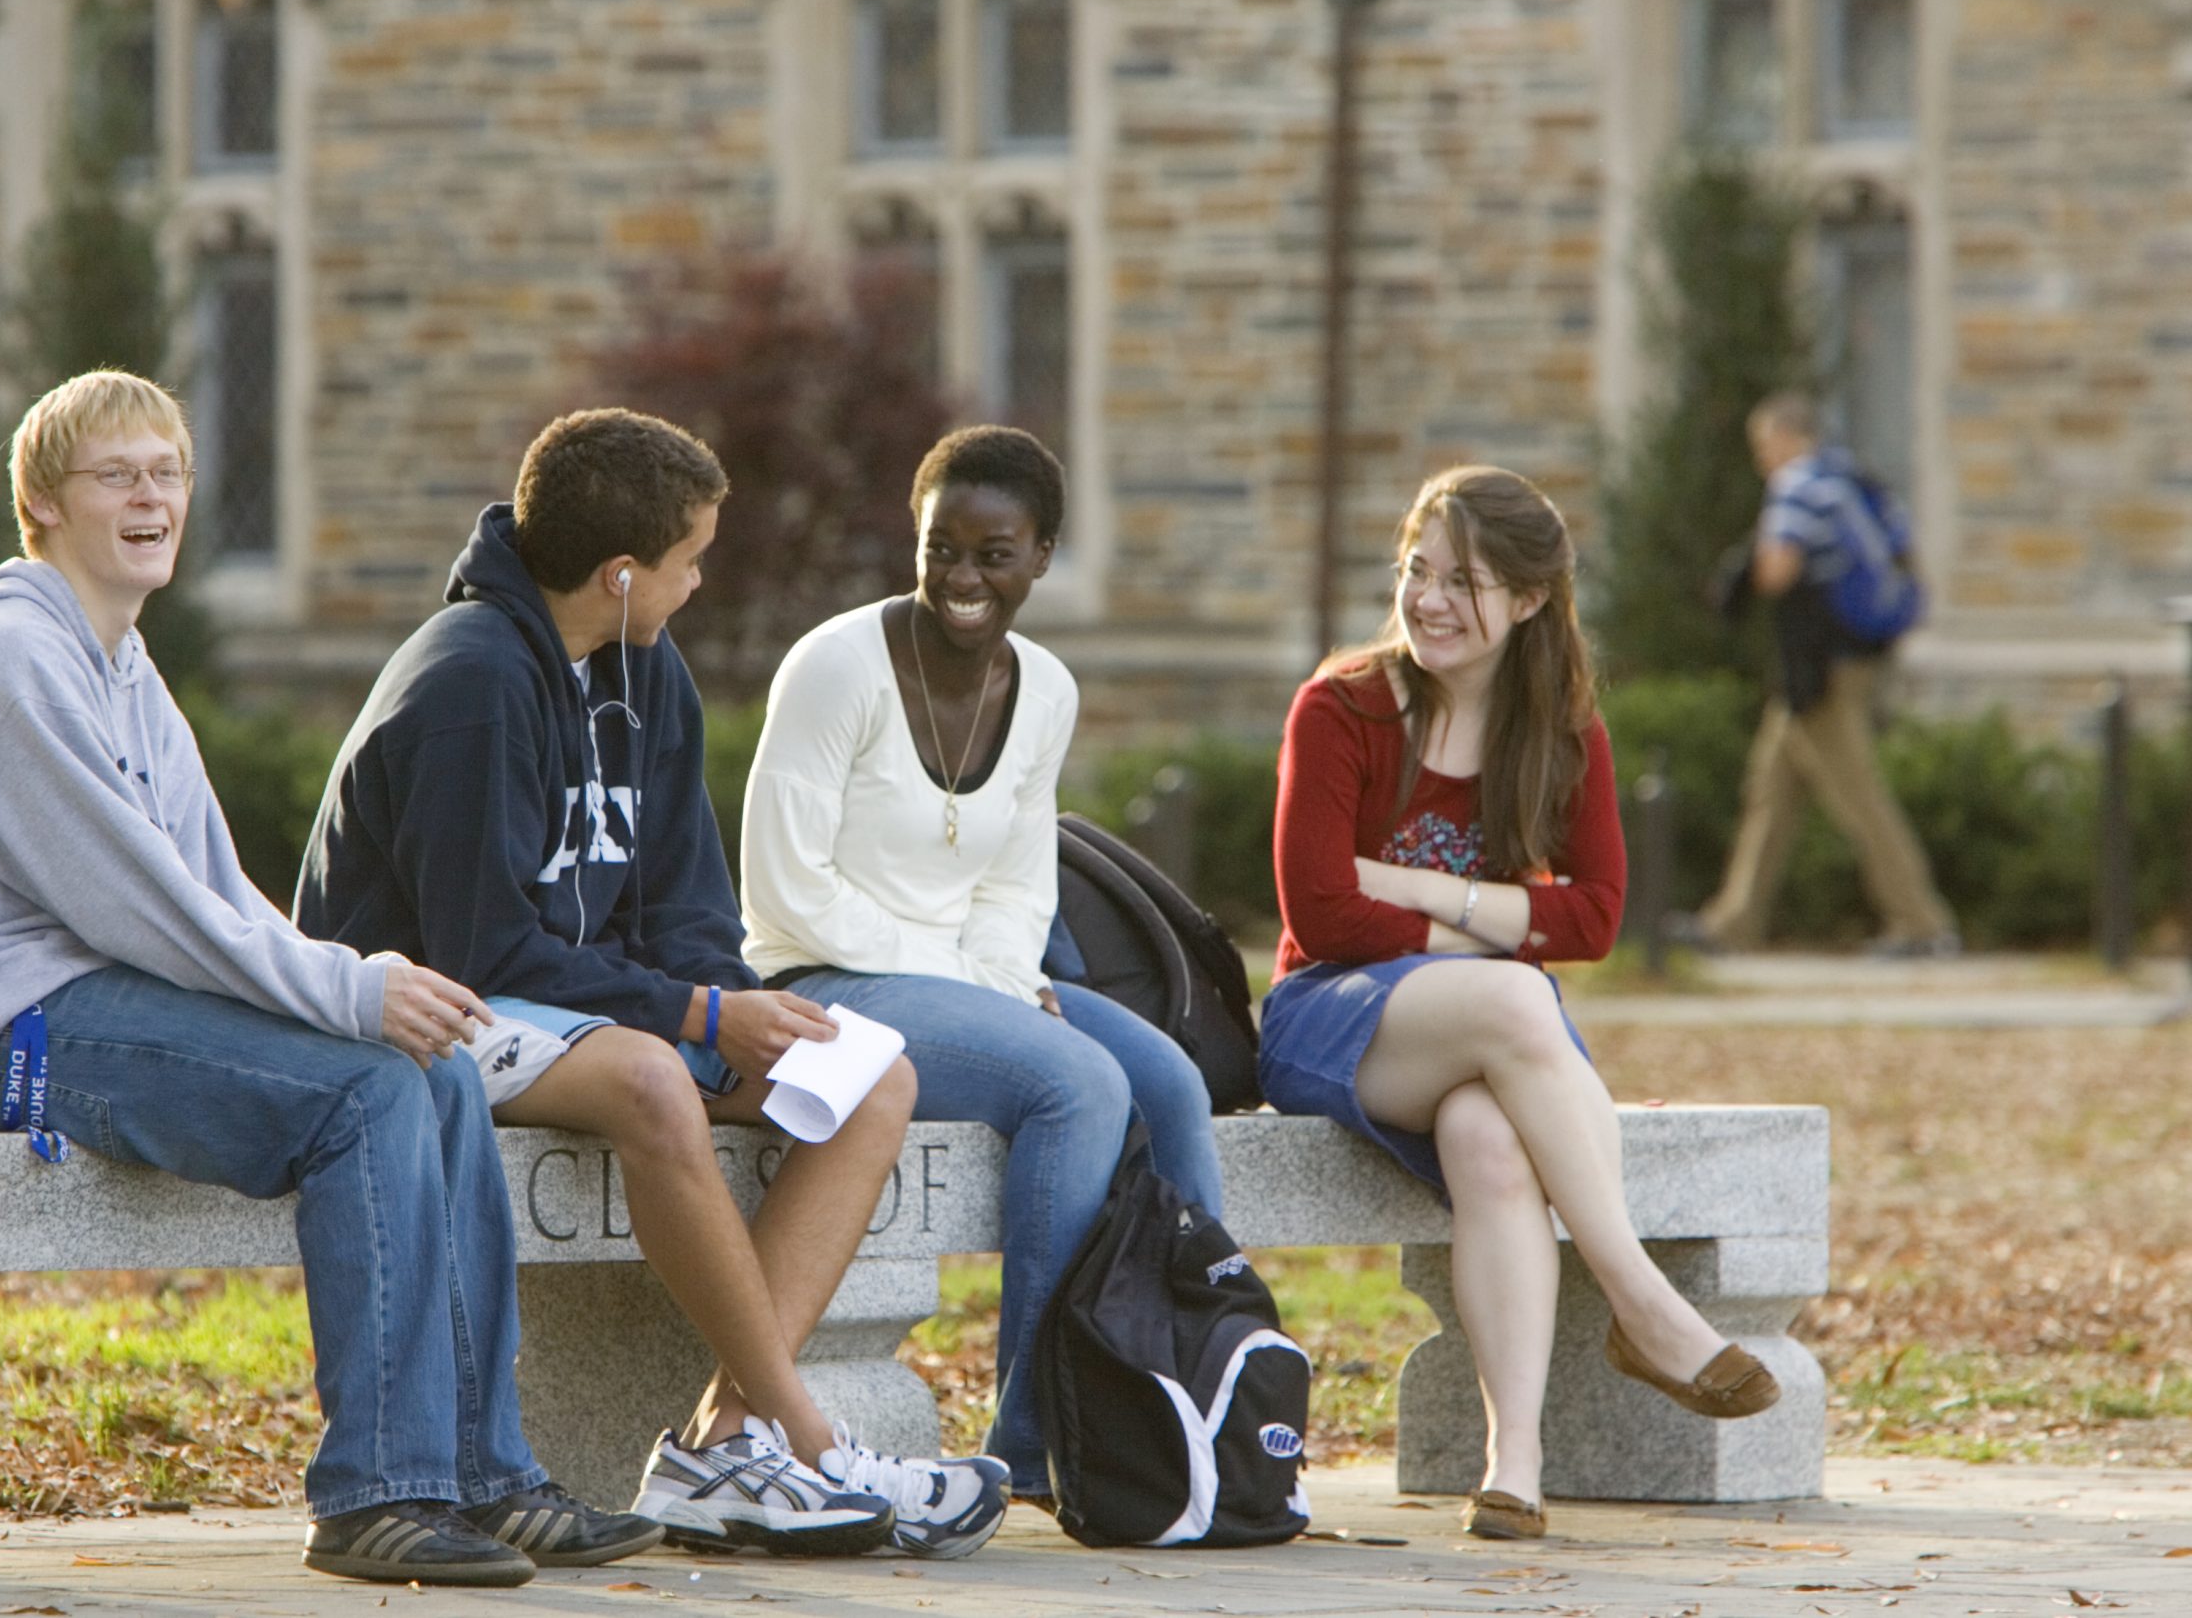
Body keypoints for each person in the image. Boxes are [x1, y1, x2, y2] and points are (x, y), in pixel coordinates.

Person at [0, 371, 660, 1590]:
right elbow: (142, 906)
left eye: (167, 472)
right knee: (365, 1095)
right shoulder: (3, 658)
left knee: (429, 1078)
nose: (150, 496)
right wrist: (347, 994)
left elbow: (217, 891)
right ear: (41, 504)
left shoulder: (121, 664)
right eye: (116, 475)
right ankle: (377, 1496)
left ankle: (486, 1475)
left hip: (93, 997)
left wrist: (354, 984)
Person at [294, 408, 1008, 1560]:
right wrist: (695, 1021)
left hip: (574, 1003)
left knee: (869, 1078)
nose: (697, 583)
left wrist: (734, 1015)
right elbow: (481, 949)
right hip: (420, 1014)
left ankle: (723, 1444)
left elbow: (681, 905)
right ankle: (812, 1440)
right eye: (688, 563)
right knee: (649, 1082)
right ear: (621, 574)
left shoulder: (646, 669)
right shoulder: (470, 681)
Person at [1259, 465, 1782, 1543]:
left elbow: (1592, 920)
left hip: (1491, 1038)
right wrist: (1497, 919)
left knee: (1490, 1138)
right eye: (1418, 569)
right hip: (1333, 1018)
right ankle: (1639, 1303)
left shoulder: (1559, 731)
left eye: (1468, 580)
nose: (1432, 600)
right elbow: (1321, 910)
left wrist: (1412, 886)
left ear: (1532, 602)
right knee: (1511, 999)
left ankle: (1515, 1467)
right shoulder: (1344, 708)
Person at [738, 425, 1225, 1510]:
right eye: (939, 548)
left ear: (1041, 556)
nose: (961, 577)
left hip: (975, 981)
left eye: (992, 554)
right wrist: (976, 986)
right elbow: (784, 888)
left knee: (1174, 1089)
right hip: (826, 980)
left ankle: (1194, 1397)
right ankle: (1035, 1439)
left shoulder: (1044, 690)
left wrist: (998, 976)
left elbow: (1016, 879)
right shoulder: (834, 667)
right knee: (1077, 1081)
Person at [1685, 392, 1957, 956]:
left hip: (1823, 671)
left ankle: (1923, 925)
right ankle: (1731, 924)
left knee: (1859, 798)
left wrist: (1745, 573)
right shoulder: (1849, 478)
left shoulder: (1798, 486)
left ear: (1787, 436)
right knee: (1771, 791)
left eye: (1763, 444)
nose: (1761, 458)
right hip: (1845, 661)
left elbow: (1778, 571)